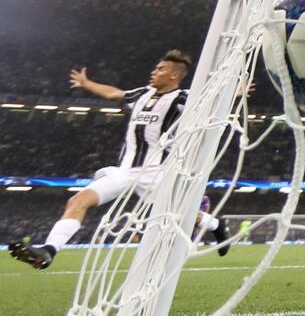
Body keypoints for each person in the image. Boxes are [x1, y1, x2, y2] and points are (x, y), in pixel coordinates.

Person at [8, 51, 231, 269]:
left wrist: (234, 93)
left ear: (173, 75)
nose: (154, 71)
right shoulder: (142, 94)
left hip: (157, 172)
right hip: (125, 171)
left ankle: (215, 224)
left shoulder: (182, 97)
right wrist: (87, 83)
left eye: (160, 69)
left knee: (176, 216)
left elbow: (211, 100)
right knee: (78, 200)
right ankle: (49, 250)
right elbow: (114, 93)